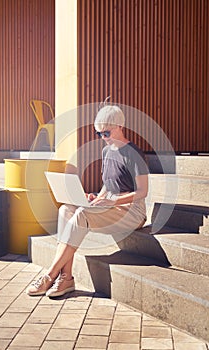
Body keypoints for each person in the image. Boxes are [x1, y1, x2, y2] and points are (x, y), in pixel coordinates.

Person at [26, 105, 149, 297]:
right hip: (111, 206)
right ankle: (66, 278)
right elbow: (108, 186)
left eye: (106, 133)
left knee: (82, 215)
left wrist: (112, 202)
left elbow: (143, 192)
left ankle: (50, 276)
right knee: (66, 209)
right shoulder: (107, 151)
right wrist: (96, 199)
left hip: (132, 211)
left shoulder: (134, 154)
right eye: (99, 133)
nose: (103, 137)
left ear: (119, 126)